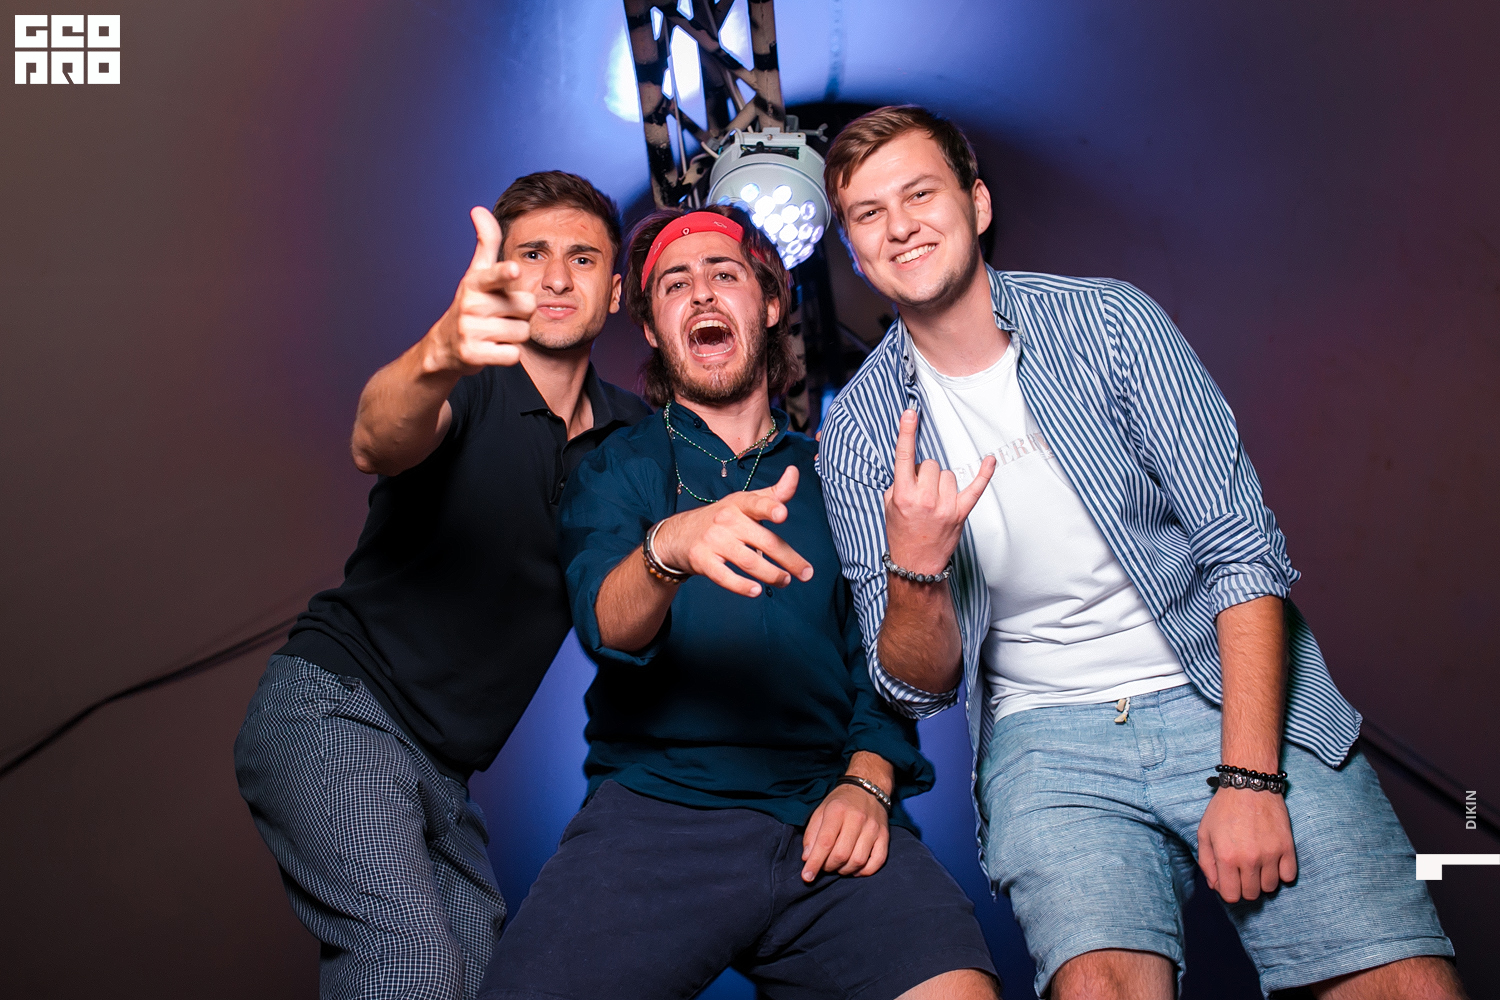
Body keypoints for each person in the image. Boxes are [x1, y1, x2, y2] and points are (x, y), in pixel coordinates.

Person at [814, 106, 1465, 1000]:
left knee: (1398, 984)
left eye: (920, 194)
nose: (900, 226)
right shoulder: (857, 431)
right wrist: (918, 567)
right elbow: (913, 687)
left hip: (1224, 690)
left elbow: (1241, 551)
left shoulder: (1111, 325)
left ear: (978, 202)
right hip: (1048, 742)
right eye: (869, 214)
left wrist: (1249, 775)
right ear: (854, 253)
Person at [477, 206, 1000, 1000]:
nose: (701, 294)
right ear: (651, 328)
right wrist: (669, 548)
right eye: (674, 285)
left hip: (827, 813)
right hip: (657, 816)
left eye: (724, 274)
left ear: (772, 304)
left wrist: (866, 780)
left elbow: (887, 673)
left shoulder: (838, 478)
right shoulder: (615, 467)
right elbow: (607, 623)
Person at [234, 171, 652, 1000]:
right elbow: (377, 437)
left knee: (484, 981)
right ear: (499, 272)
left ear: (614, 292)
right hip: (336, 711)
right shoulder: (467, 380)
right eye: (531, 255)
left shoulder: (633, 437)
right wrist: (437, 354)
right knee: (412, 964)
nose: (556, 277)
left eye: (582, 258)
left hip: (446, 775)